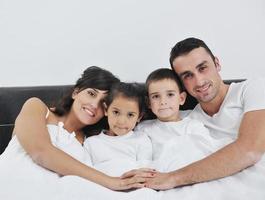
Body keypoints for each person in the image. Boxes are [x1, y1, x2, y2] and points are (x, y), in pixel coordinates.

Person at [127, 37, 265, 199]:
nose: (199, 81)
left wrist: (172, 178)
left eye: (203, 68)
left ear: (217, 63)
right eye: (187, 76)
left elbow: (250, 150)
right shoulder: (187, 120)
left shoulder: (252, 89)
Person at [0, 66, 154, 200]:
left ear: (107, 111)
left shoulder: (91, 143)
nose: (94, 105)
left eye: (103, 102)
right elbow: (41, 151)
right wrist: (112, 181)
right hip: (10, 187)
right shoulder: (37, 107)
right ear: (76, 92)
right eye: (91, 94)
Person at [135, 68, 230, 173]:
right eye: (156, 96)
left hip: (189, 172)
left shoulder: (192, 125)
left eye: (170, 95)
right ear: (149, 103)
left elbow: (207, 150)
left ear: (181, 98)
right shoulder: (143, 128)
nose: (163, 102)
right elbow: (140, 158)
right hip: (157, 174)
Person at [84, 82, 153, 177]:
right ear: (106, 110)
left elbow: (145, 171)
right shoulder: (91, 143)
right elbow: (86, 174)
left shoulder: (141, 139)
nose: (121, 121)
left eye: (130, 115)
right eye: (116, 112)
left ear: (139, 117)